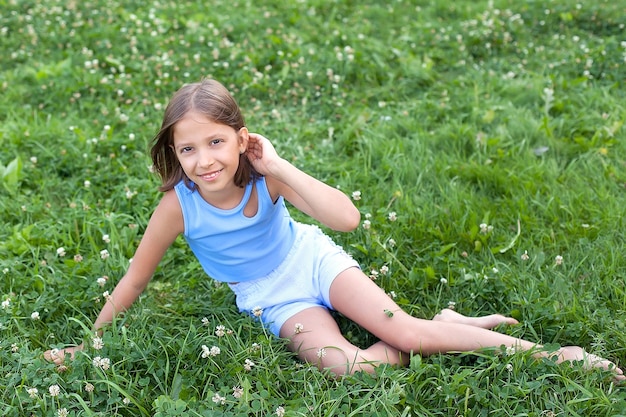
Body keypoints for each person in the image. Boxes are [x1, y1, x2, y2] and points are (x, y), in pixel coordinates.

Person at [45, 79, 624, 380]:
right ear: (174, 153)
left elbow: (346, 219)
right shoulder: (179, 206)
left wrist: (274, 163)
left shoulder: (263, 178)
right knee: (350, 369)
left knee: (412, 338)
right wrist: (90, 341)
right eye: (187, 148)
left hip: (312, 260)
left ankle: (559, 356)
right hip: (270, 295)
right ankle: (442, 325)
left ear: (241, 138)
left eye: (216, 142)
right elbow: (134, 280)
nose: (203, 161)